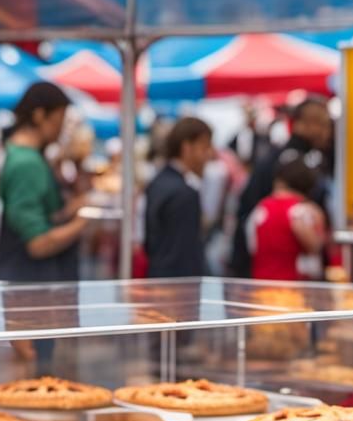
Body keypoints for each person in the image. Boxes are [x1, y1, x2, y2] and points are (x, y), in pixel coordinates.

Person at [231, 96, 334, 276]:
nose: (327, 132)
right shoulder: (289, 162)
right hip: (284, 271)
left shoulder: (309, 158)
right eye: (322, 124)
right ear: (302, 124)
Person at [0, 82, 88, 282]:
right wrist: (84, 222)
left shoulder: (30, 158)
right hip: (33, 289)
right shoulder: (26, 163)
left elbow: (40, 214)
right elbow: (38, 243)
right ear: (39, 115)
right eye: (59, 120)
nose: (61, 129)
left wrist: (68, 211)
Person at [143, 116, 213, 279]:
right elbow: (186, 257)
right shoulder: (185, 194)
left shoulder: (158, 182)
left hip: (158, 279)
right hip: (178, 288)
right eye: (204, 147)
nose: (208, 155)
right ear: (187, 147)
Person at [246, 149, 327, 282]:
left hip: (260, 285)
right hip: (293, 289)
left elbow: (251, 246)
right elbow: (315, 248)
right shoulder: (303, 212)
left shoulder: (260, 208)